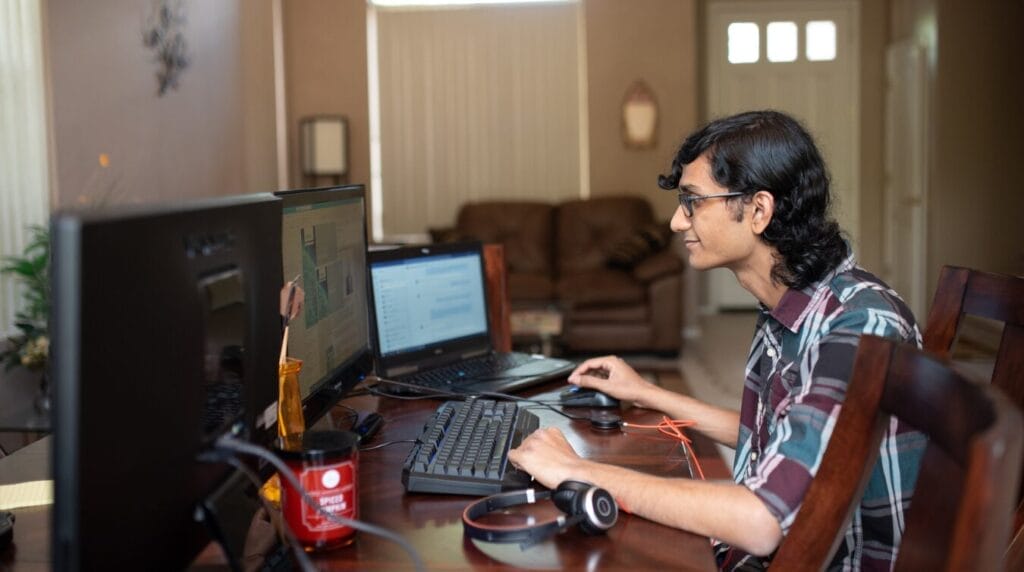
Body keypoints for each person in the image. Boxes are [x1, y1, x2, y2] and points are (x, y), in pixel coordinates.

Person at [508, 110, 925, 571]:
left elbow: (760, 520)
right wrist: (645, 392)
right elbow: (772, 427)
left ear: (759, 210)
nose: (676, 223)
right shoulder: (794, 302)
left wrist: (578, 472)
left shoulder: (857, 325)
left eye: (692, 202)